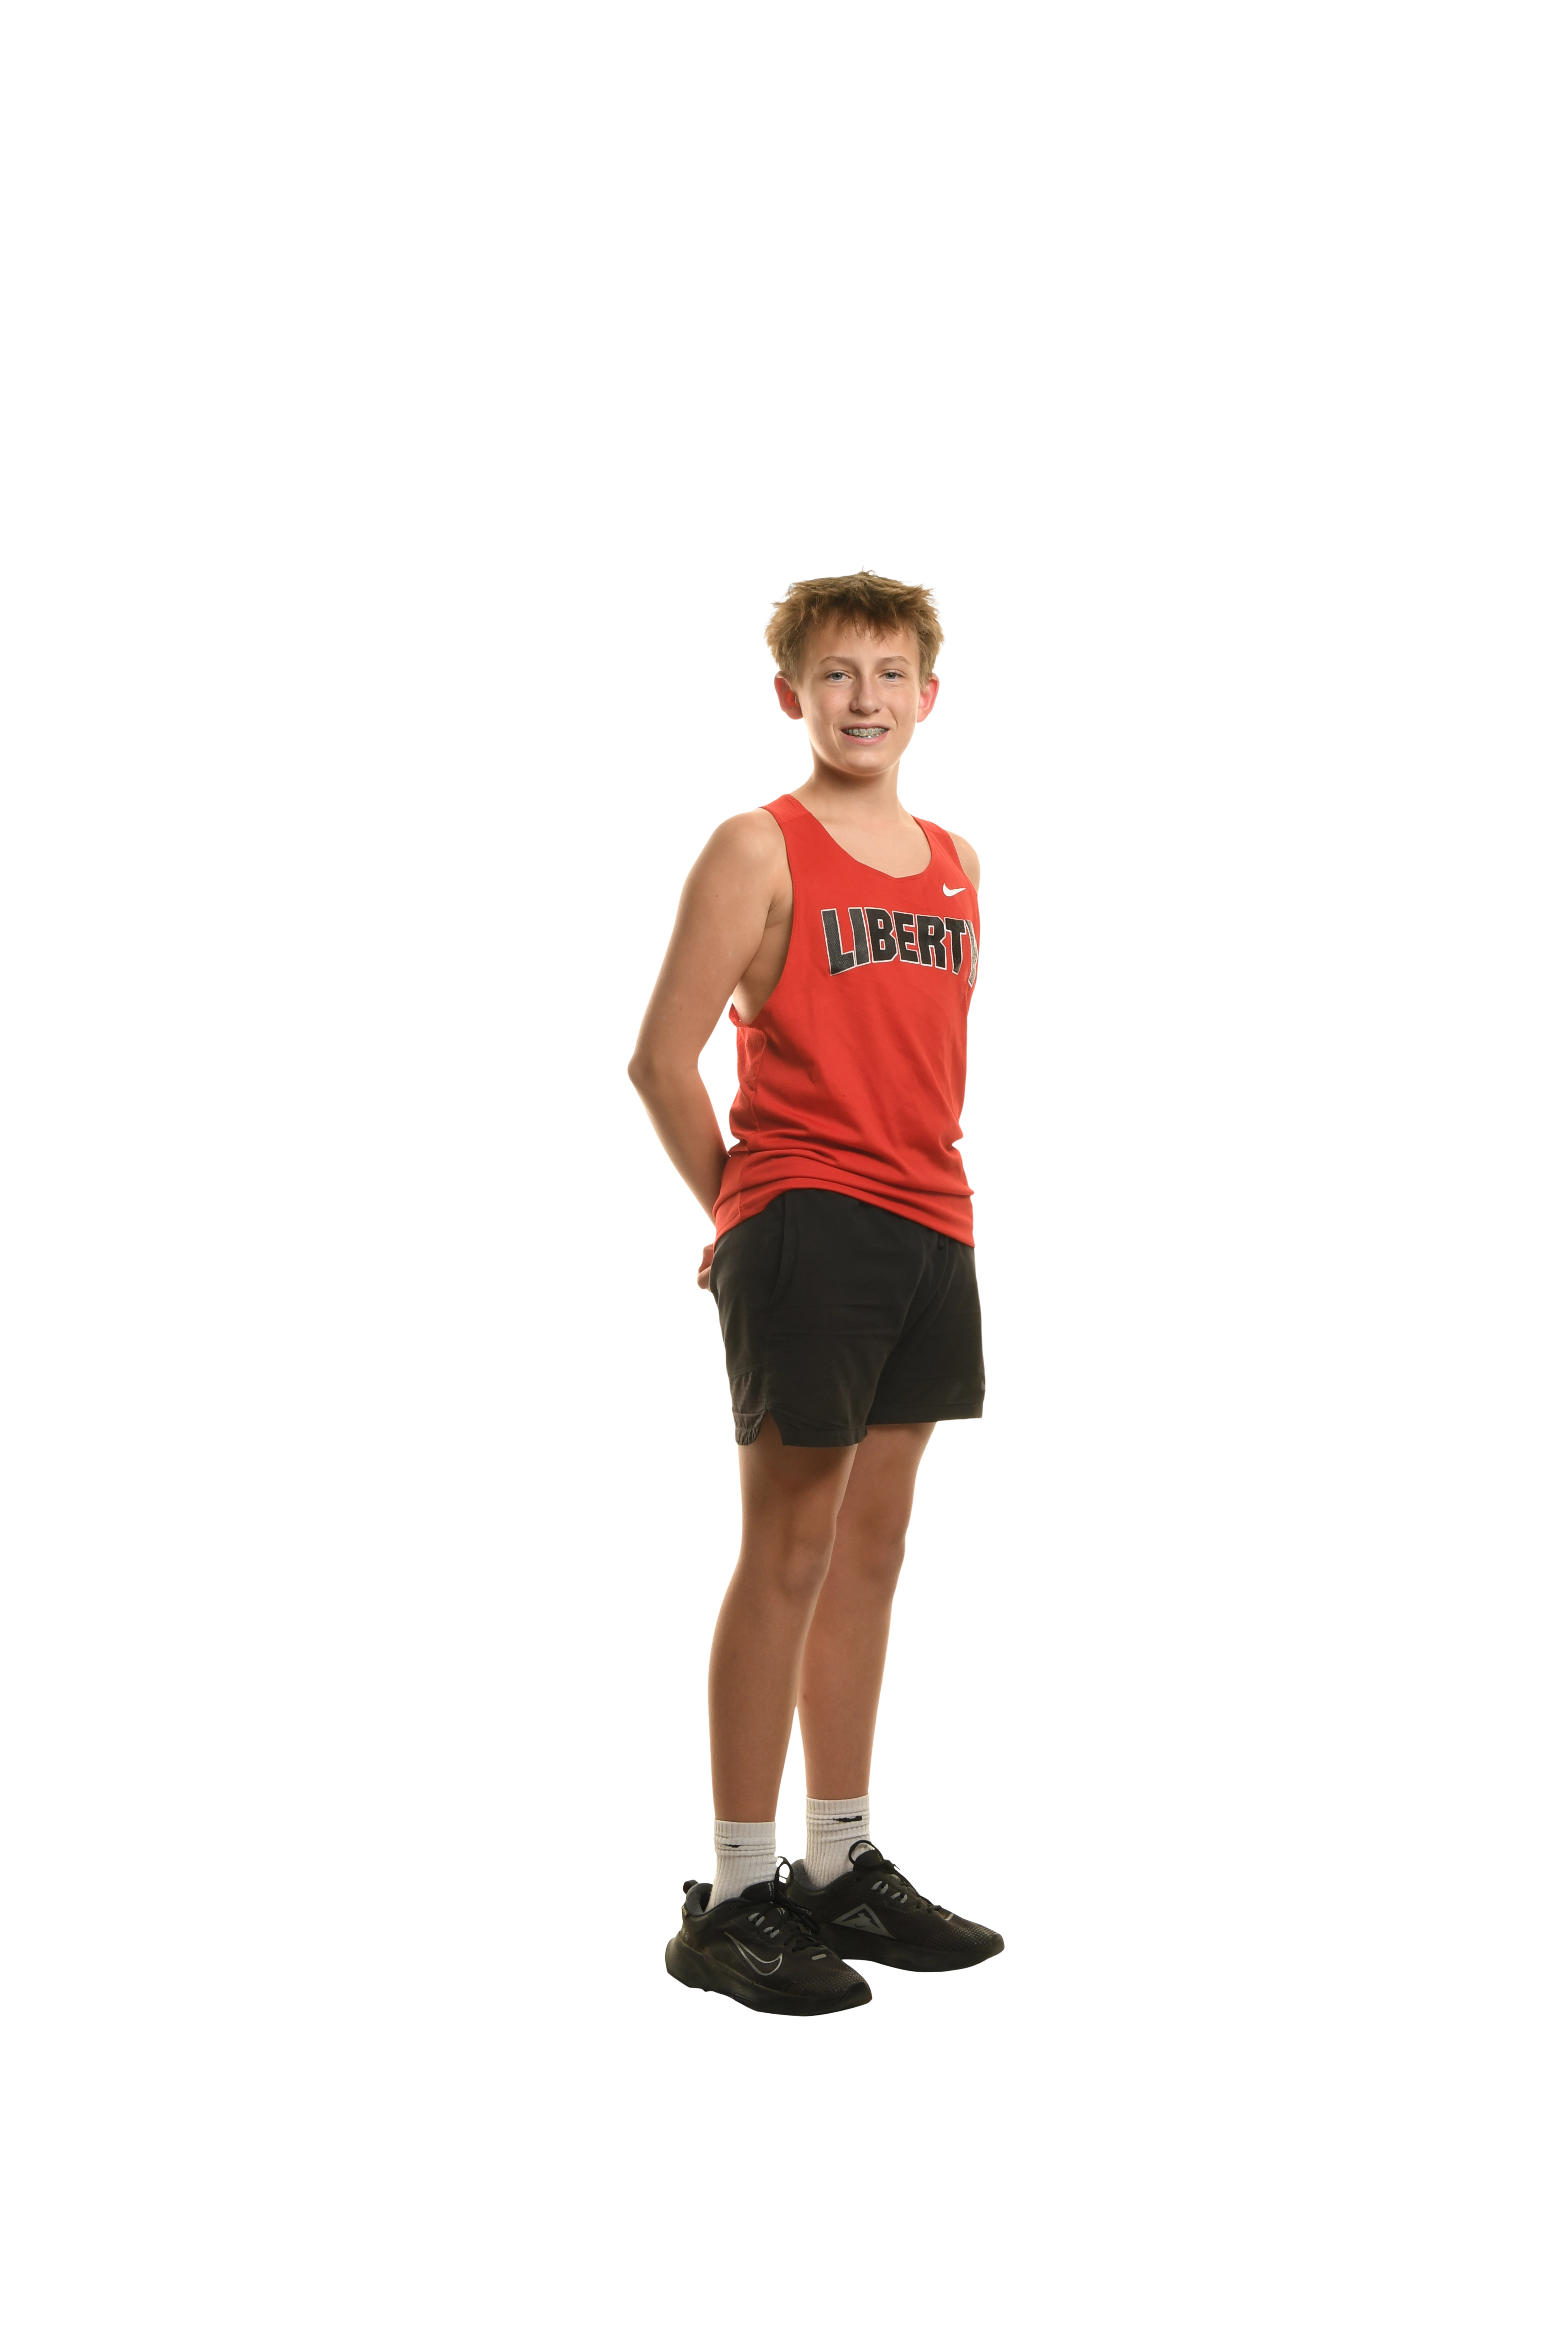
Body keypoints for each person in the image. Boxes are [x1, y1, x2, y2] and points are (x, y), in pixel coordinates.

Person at [629, 564, 1004, 2015]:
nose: (864, 698)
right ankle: (735, 1897)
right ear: (791, 691)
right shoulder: (759, 846)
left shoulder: (961, 863)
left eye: (890, 672)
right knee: (788, 1548)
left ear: (930, 694)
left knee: (872, 1553)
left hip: (933, 1222)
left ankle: (840, 1862)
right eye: (836, 673)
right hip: (810, 1220)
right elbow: (662, 1059)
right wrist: (744, 1211)